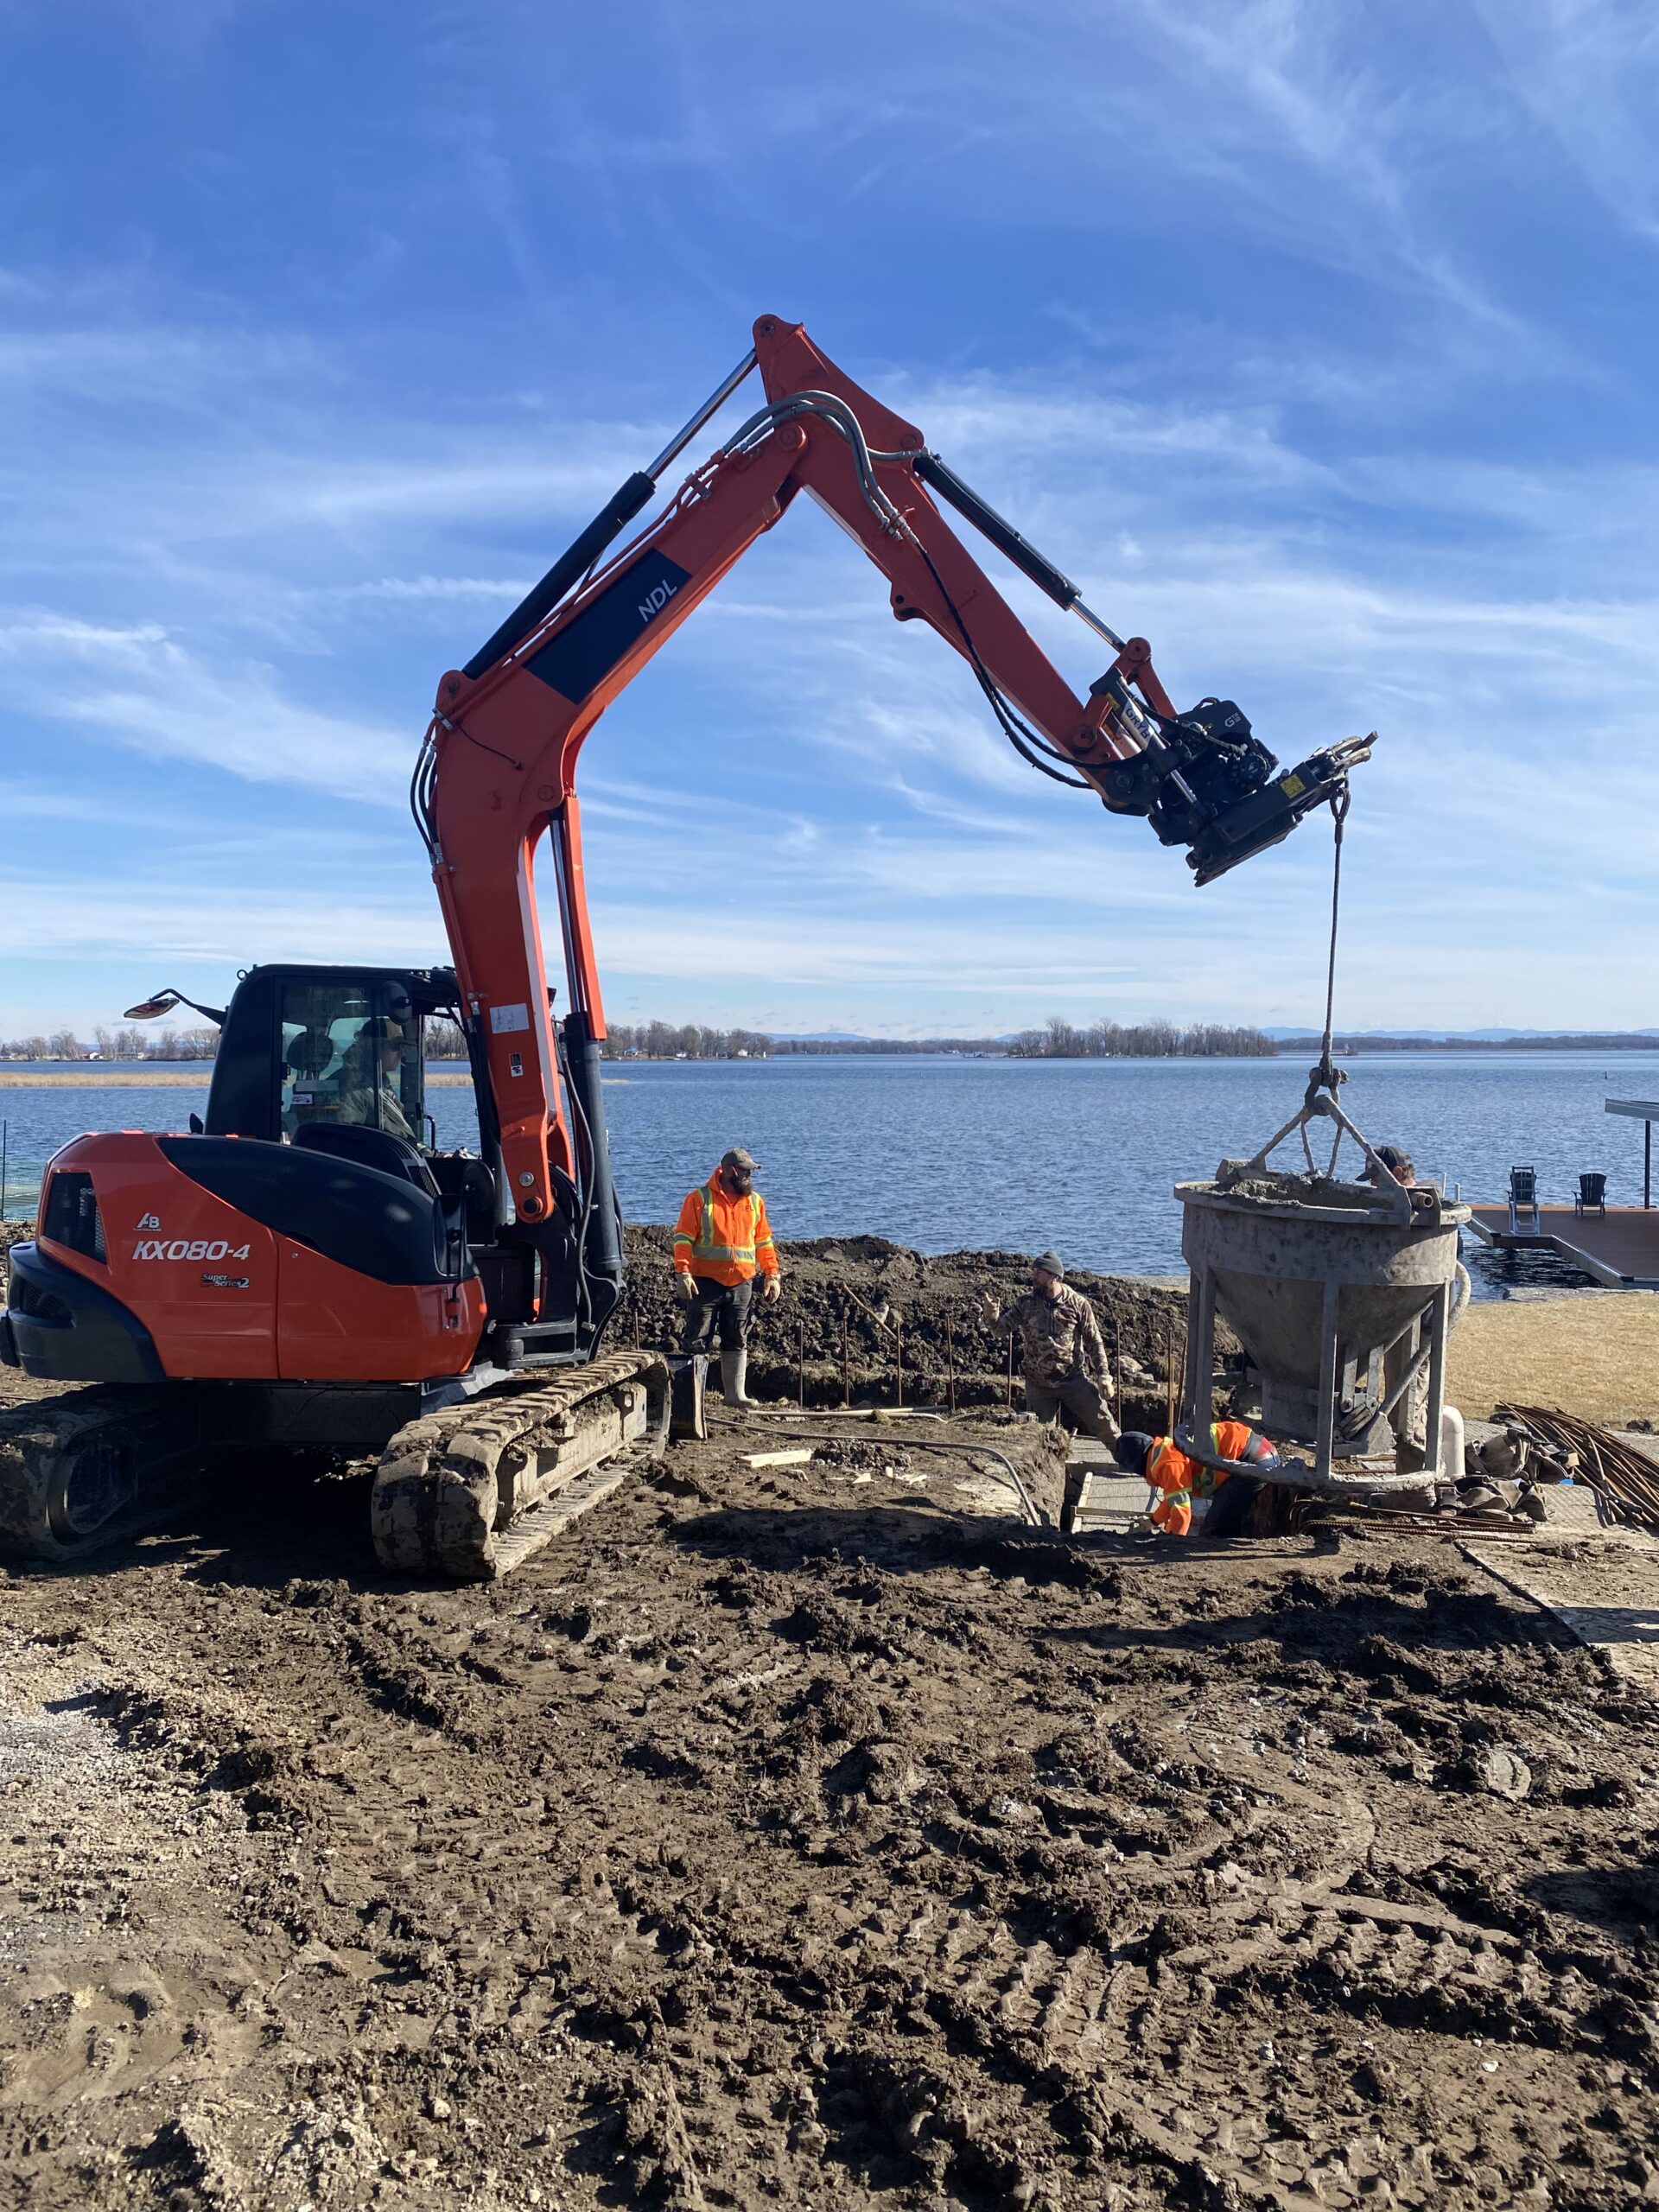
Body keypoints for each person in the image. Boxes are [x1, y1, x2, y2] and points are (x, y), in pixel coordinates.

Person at [672, 1147, 781, 1406]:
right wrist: (683, 1273)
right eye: (746, 1171)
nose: (749, 1176)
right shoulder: (699, 1200)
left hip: (741, 1282)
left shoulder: (754, 1202)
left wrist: (772, 1274)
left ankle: (734, 1396)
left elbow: (763, 1241)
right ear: (731, 1171)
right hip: (704, 1283)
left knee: (737, 1337)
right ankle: (691, 1400)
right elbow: (683, 1238)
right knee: (697, 1339)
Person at [985, 1251, 1118, 1445]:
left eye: (1039, 1273)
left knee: (1107, 1427)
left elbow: (1094, 1342)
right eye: (1033, 1272)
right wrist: (992, 1316)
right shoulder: (1026, 1303)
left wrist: (1104, 1376)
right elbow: (1000, 1330)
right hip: (1039, 1384)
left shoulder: (1077, 1304)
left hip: (1073, 1380)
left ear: (1055, 1277)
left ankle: (1130, 1459)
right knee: (1040, 1439)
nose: (1034, 1277)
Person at [1116, 1421, 1281, 1538]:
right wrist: (1153, 1521)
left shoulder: (1167, 1465)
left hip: (1252, 1462)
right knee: (1224, 1520)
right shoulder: (1164, 1453)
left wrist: (1169, 1548)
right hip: (1257, 1453)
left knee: (1213, 1532)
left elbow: (1181, 1513)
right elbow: (1173, 1499)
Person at [336, 1017, 418, 1141]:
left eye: (403, 1046)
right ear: (372, 1046)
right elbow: (347, 1143)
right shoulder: (350, 1089)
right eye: (396, 1045)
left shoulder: (380, 1085)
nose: (403, 1053)